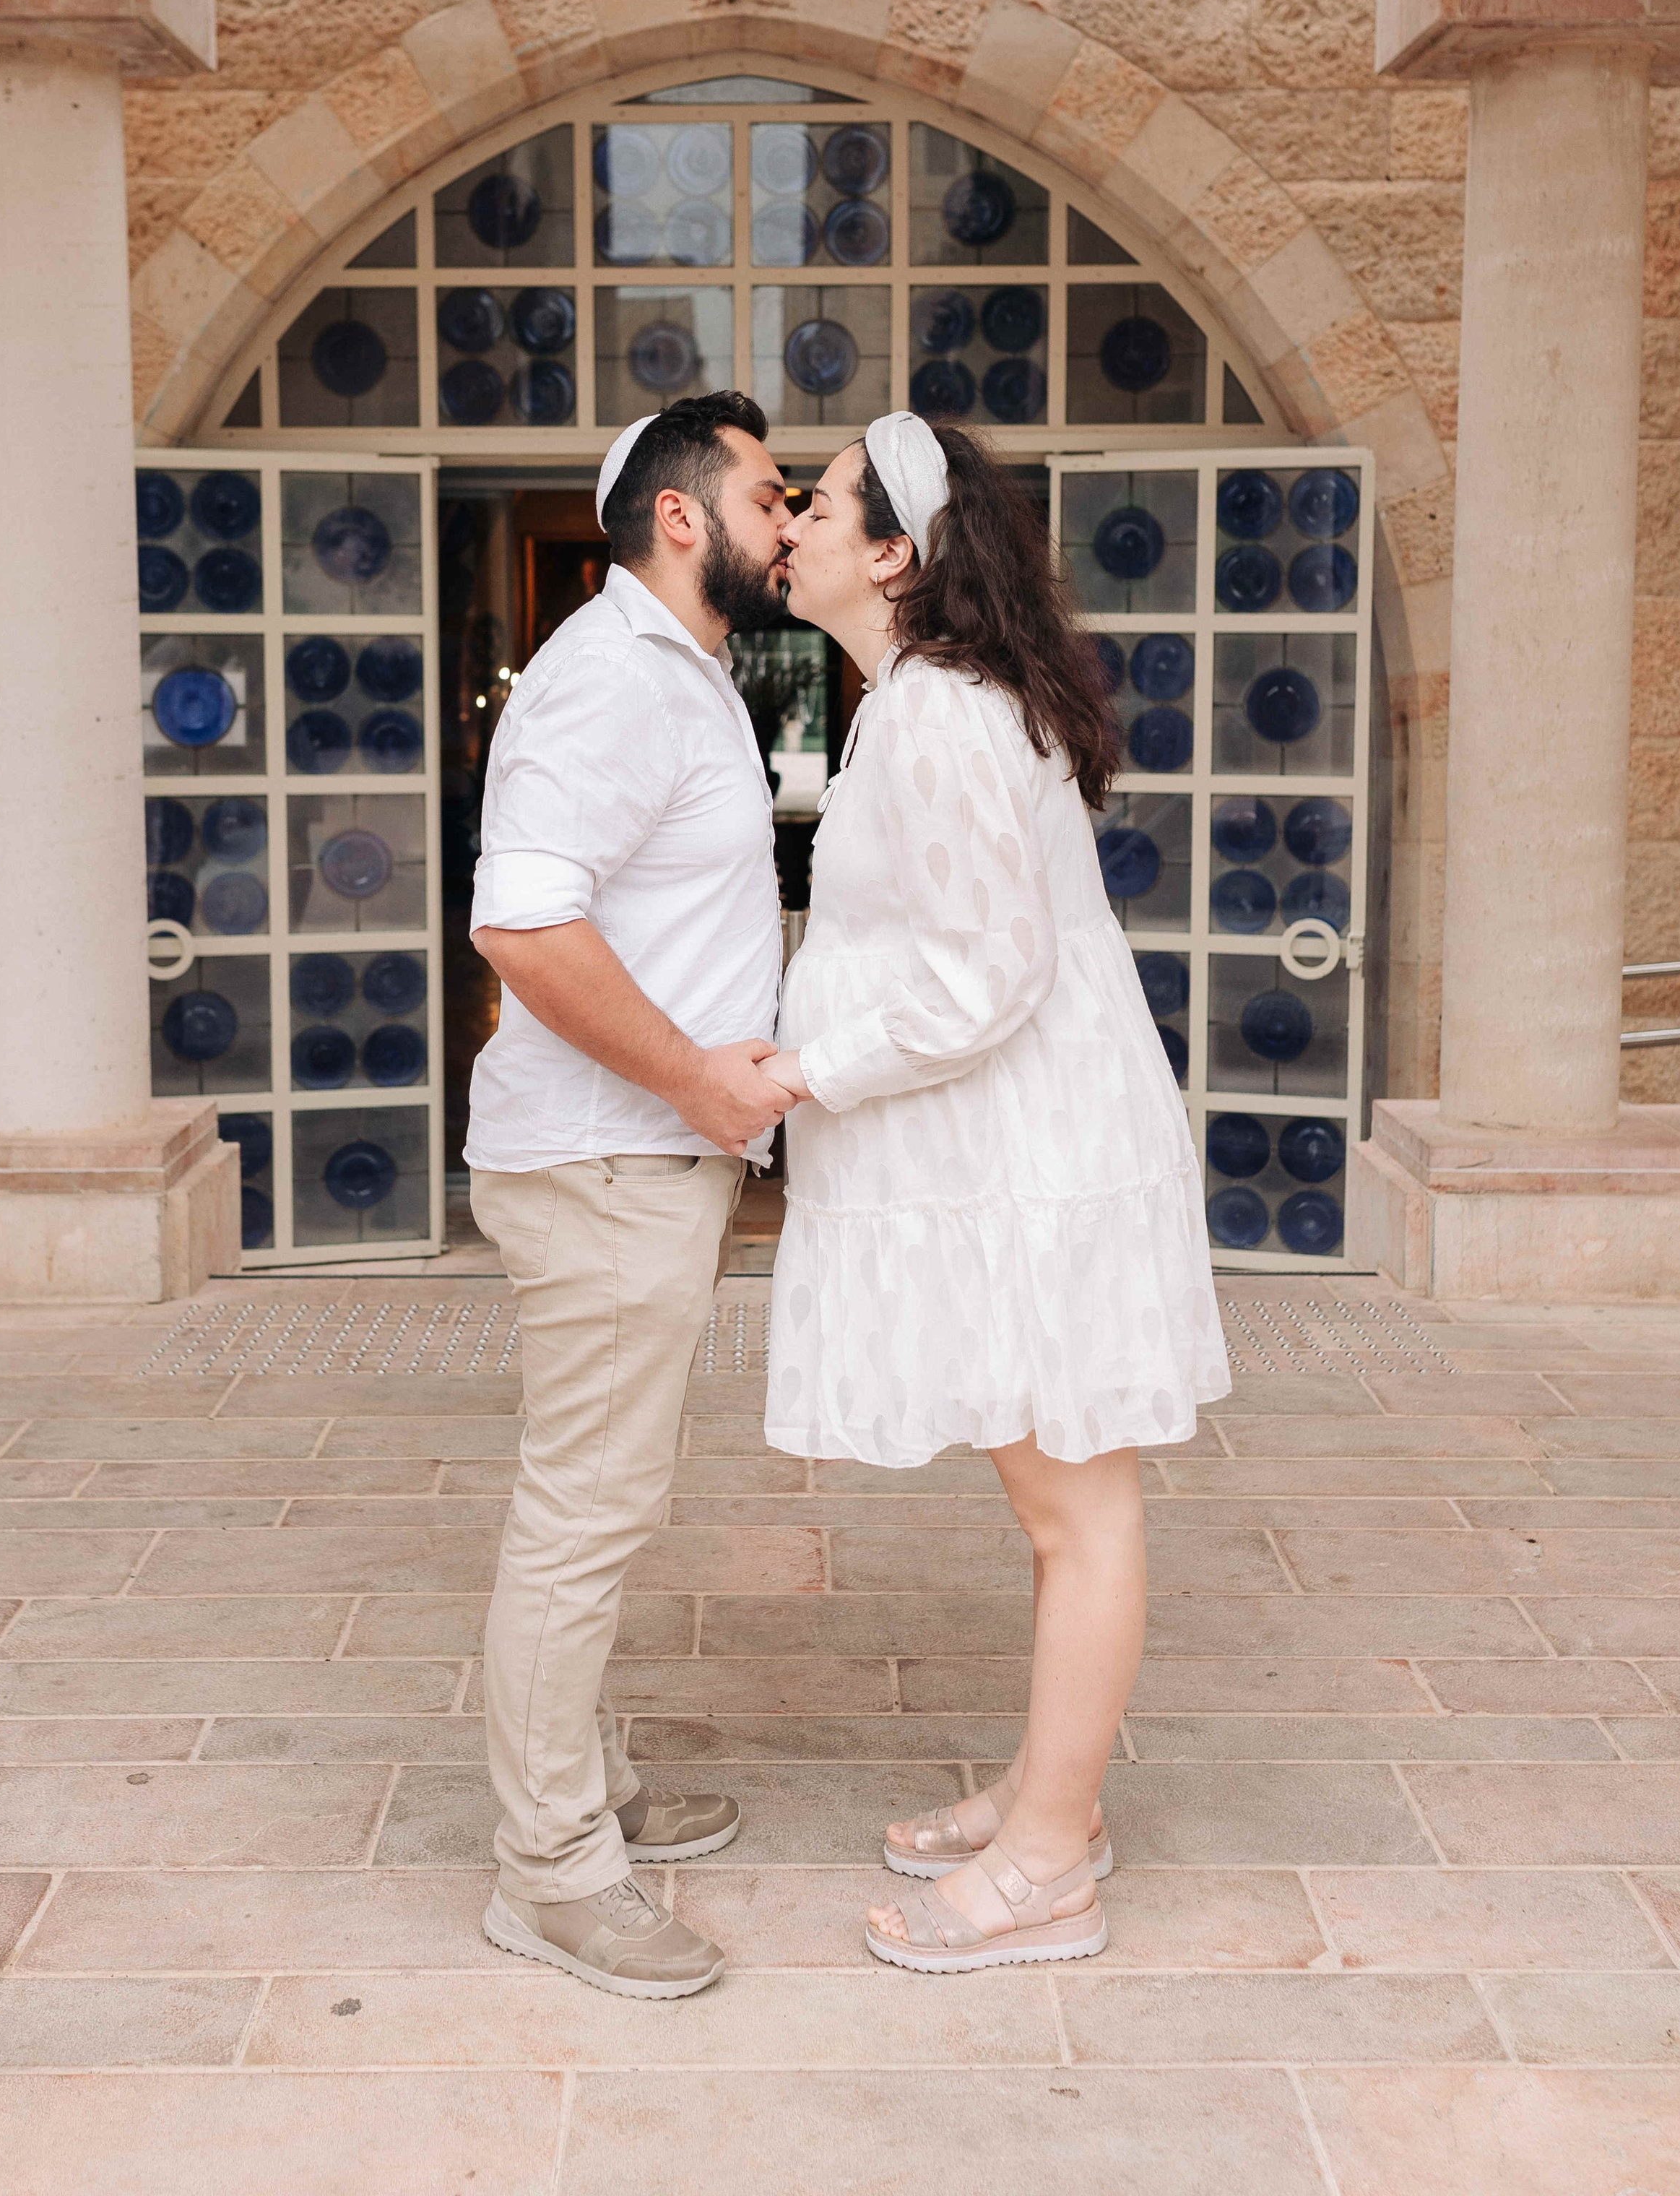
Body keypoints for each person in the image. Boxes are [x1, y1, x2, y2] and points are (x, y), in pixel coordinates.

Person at [761, 412, 1229, 1973]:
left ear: (891, 555)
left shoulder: (942, 715)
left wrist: (803, 1073)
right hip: (1012, 1160)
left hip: (1036, 1166)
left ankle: (1047, 1865)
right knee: (1054, 1502)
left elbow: (986, 976)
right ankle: (1050, 1798)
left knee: (1074, 1511)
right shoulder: (917, 703)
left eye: (817, 503)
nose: (790, 522)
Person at [467, 390, 799, 2000]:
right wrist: (694, 1082)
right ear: (683, 515)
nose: (788, 517)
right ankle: (547, 1873)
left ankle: (585, 1795)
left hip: (642, 1158)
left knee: (602, 1501)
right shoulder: (609, 682)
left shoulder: (683, 673)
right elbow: (523, 933)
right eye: (768, 489)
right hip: (606, 1161)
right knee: (581, 1515)